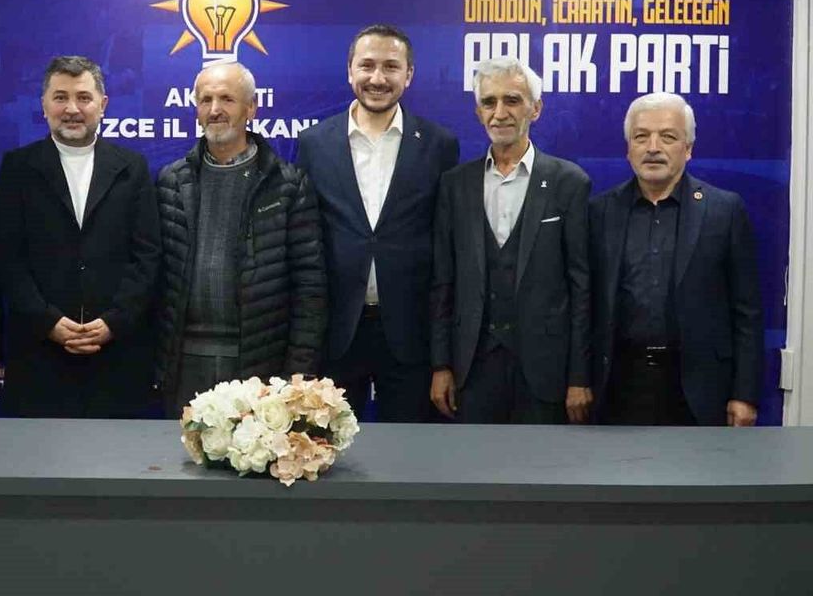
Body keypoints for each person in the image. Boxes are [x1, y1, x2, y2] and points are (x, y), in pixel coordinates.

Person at [297, 24, 458, 421]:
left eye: (391, 66)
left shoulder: (439, 145)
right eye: (367, 65)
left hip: (410, 335)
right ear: (349, 71)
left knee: (409, 452)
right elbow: (304, 240)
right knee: (327, 450)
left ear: (409, 74)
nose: (378, 78)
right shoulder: (314, 143)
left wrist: (442, 354)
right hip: (336, 332)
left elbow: (446, 249)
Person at [0, 55, 160, 417]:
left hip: (117, 358)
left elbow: (147, 256)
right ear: (44, 105)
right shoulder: (17, 168)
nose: (72, 109)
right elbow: (7, 259)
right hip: (40, 356)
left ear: (103, 104)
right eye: (60, 97)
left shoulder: (132, 168)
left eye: (83, 97)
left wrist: (114, 322)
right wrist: (47, 322)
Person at [155, 60, 326, 415]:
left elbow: (310, 288)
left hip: (259, 366)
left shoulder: (287, 185)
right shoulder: (171, 182)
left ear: (251, 108)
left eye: (227, 99)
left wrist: (298, 373)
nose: (215, 109)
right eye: (205, 100)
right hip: (184, 364)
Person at [430, 56, 592, 424]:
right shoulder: (455, 185)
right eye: (489, 102)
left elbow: (581, 288)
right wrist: (441, 364)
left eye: (512, 100)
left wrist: (579, 377)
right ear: (478, 112)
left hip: (546, 370)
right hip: (472, 367)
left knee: (541, 462)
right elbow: (443, 283)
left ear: (536, 109)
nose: (500, 113)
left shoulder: (569, 182)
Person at [590, 92, 762, 426]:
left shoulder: (724, 211)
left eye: (668, 137)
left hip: (699, 389)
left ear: (688, 148)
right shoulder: (599, 212)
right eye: (641, 137)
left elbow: (747, 312)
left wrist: (745, 394)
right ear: (628, 148)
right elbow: (584, 305)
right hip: (618, 387)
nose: (653, 147)